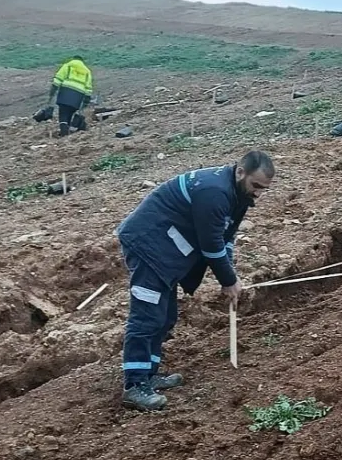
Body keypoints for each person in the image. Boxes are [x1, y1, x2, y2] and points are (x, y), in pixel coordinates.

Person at [114, 151, 275, 411]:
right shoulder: (215, 192)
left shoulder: (240, 195)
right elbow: (211, 245)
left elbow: (226, 237)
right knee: (147, 316)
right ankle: (134, 385)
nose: (258, 194)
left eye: (263, 189)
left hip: (166, 251)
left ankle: (148, 374)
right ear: (240, 172)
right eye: (255, 186)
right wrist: (228, 280)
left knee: (165, 317)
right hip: (148, 245)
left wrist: (229, 274)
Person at [49, 55, 94, 136]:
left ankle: (64, 132)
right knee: (70, 112)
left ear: (73, 59)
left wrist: (52, 93)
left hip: (65, 93)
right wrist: (86, 101)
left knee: (63, 113)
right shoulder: (87, 71)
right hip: (78, 96)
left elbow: (57, 80)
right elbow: (89, 88)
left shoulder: (67, 66)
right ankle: (68, 130)